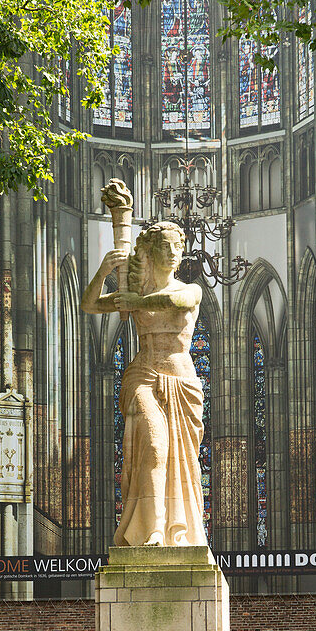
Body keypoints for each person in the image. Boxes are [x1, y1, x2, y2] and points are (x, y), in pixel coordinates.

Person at [82, 221, 207, 548]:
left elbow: (173, 303)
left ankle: (177, 530)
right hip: (143, 373)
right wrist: (104, 272)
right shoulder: (133, 294)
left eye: (177, 247)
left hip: (180, 378)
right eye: (164, 246)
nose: (171, 252)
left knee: (182, 460)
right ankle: (152, 529)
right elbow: (89, 304)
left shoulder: (190, 290)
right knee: (153, 447)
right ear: (150, 252)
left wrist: (132, 300)